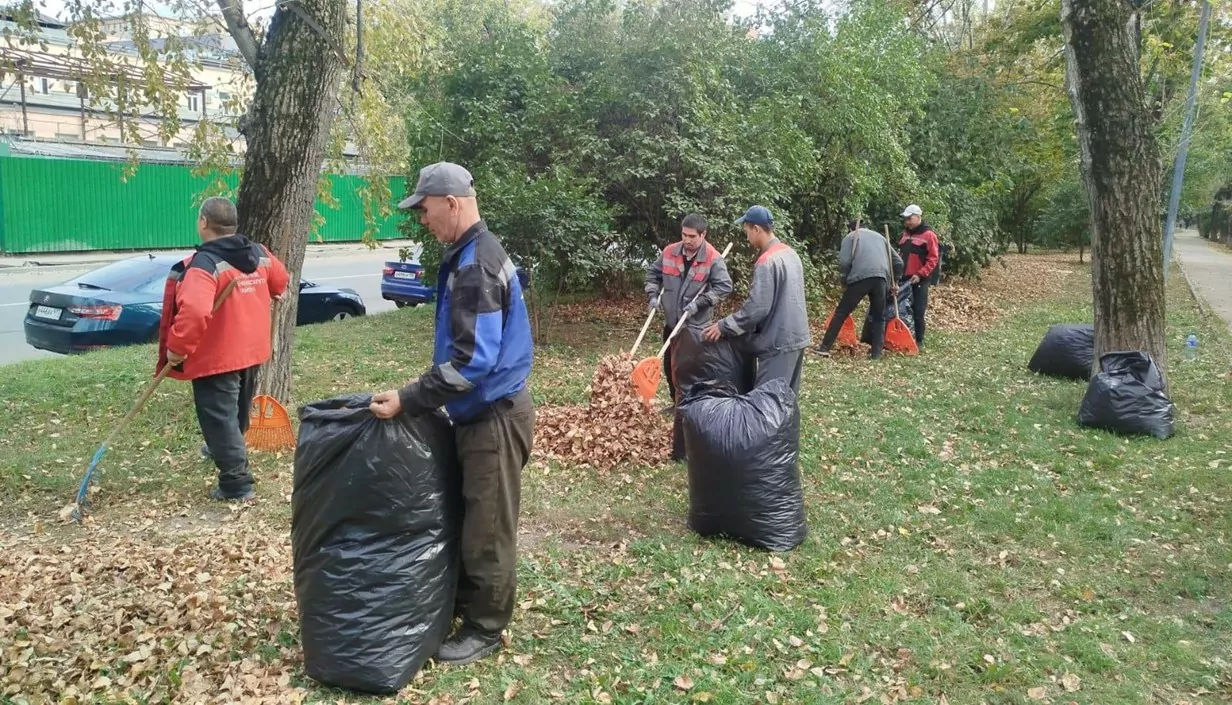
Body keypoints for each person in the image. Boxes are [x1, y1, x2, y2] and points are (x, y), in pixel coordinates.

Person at [369, 161, 535, 667]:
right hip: (480, 414)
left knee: (487, 528)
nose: (422, 218)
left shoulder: (476, 265)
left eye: (424, 208)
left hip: (494, 419)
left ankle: (485, 628)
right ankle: (468, 605)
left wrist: (410, 397)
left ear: (452, 203)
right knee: (471, 518)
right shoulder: (470, 255)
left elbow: (473, 361)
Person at [156, 196, 289, 502]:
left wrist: (177, 349)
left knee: (219, 417)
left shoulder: (205, 265)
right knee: (237, 410)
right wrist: (275, 290)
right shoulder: (259, 253)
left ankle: (236, 482)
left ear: (204, 222)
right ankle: (222, 446)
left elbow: (194, 313)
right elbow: (281, 280)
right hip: (252, 349)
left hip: (217, 355)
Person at [703, 205, 811, 393]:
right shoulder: (790, 253)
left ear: (757, 229)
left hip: (779, 341)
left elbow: (757, 309)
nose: (747, 237)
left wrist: (724, 326)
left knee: (768, 403)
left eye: (747, 231)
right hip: (798, 336)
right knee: (787, 400)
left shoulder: (766, 261)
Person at [644, 213, 734, 411]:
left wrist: (700, 303)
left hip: (695, 327)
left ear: (703, 235)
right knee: (670, 366)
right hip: (672, 323)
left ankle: (692, 407)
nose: (687, 240)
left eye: (692, 236)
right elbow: (653, 274)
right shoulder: (669, 252)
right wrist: (652, 295)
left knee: (691, 370)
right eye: (684, 235)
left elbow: (724, 287)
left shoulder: (713, 258)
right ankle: (676, 403)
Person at [815, 219, 903, 360]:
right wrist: (895, 281)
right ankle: (876, 354)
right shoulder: (880, 237)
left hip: (860, 278)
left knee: (842, 312)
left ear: (850, 229)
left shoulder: (851, 237)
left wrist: (845, 279)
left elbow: (844, 261)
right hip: (881, 279)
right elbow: (898, 262)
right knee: (879, 317)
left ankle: (824, 348)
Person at [898, 204, 940, 350]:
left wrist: (920, 274)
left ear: (918, 217)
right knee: (902, 309)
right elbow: (900, 255)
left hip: (920, 279)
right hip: (904, 278)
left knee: (918, 310)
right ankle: (903, 337)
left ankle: (919, 341)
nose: (907, 222)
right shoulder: (905, 234)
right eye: (905, 219)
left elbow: (933, 259)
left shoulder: (929, 235)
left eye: (909, 219)